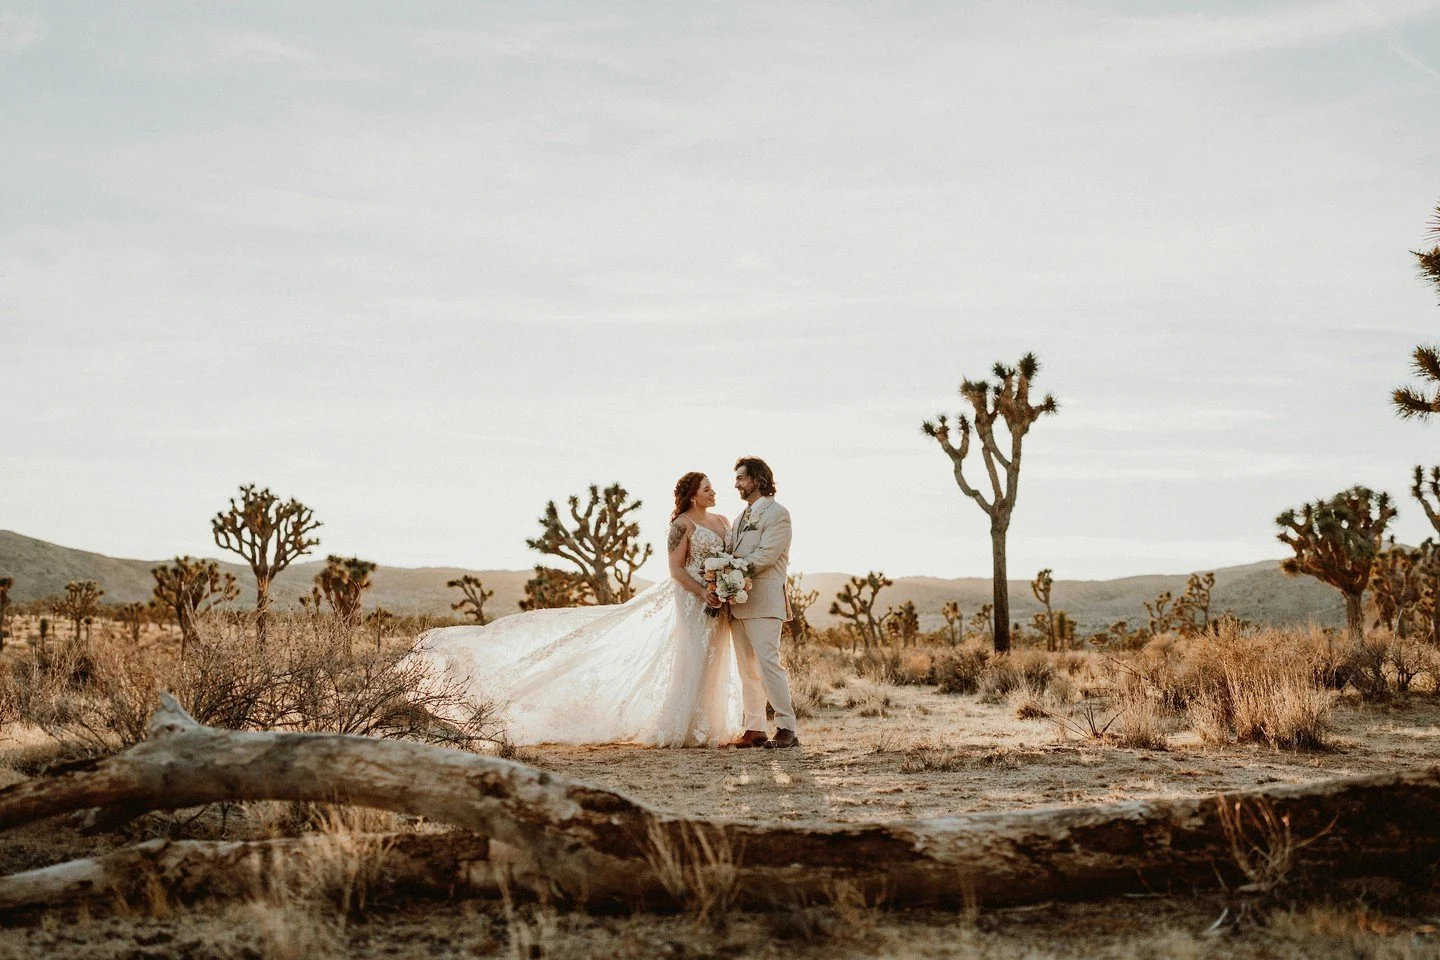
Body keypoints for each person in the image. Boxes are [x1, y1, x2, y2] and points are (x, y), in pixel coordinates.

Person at [412, 472, 742, 747]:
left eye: (712, 487)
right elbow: (676, 570)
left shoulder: (722, 520)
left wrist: (728, 583)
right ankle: (687, 728)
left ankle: (714, 725)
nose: (714, 492)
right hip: (692, 598)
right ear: (692, 496)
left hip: (720, 597)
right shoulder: (681, 526)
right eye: (707, 488)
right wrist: (703, 591)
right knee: (695, 655)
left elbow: (730, 556)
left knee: (718, 656)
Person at [723, 456, 800, 749]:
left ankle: (786, 727)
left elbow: (766, 556)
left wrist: (730, 572)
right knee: (747, 670)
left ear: (757, 479)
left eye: (741, 478)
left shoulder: (778, 514)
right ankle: (755, 728)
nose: (737, 484)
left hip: (765, 601)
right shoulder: (740, 518)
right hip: (738, 602)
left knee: (769, 665)